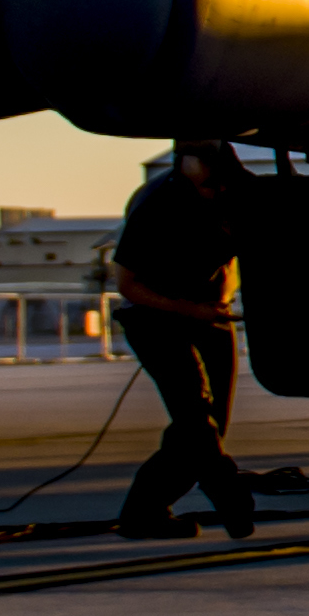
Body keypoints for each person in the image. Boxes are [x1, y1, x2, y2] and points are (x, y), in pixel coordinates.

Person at [111, 135, 265, 541]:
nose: (214, 194)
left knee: (206, 426)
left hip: (209, 316)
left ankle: (143, 513)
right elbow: (127, 284)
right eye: (206, 188)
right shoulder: (157, 205)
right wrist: (187, 309)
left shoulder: (238, 191)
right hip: (154, 316)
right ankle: (228, 494)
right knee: (195, 418)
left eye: (219, 186)